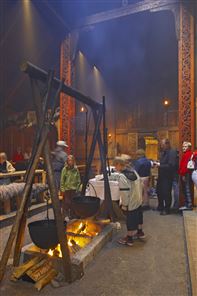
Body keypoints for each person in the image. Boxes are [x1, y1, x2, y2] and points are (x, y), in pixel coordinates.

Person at [110, 157, 145, 247]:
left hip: (131, 201)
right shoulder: (133, 171)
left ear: (119, 165)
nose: (115, 167)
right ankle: (140, 232)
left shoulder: (122, 176)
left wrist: (124, 204)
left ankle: (129, 239)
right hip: (138, 198)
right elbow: (141, 184)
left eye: (115, 165)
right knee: (138, 216)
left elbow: (124, 192)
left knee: (130, 219)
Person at [156, 139, 177, 215]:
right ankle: (160, 206)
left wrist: (160, 165)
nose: (161, 146)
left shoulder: (172, 152)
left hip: (167, 176)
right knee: (159, 191)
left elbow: (171, 165)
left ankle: (167, 209)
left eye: (162, 144)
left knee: (166, 193)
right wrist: (158, 163)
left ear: (167, 144)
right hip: (161, 176)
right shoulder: (164, 152)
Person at [60, 155, 81, 221]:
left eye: (71, 160)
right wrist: (62, 189)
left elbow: (78, 179)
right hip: (67, 189)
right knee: (66, 203)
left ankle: (72, 216)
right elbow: (62, 180)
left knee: (73, 203)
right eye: (69, 160)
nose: (70, 161)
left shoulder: (75, 169)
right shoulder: (65, 169)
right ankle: (64, 216)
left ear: (73, 161)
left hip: (74, 189)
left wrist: (78, 188)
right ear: (67, 161)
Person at [178, 142, 193, 210]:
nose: (183, 148)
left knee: (186, 189)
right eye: (183, 146)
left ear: (189, 147)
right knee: (185, 188)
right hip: (185, 173)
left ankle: (189, 205)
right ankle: (187, 204)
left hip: (185, 173)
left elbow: (185, 166)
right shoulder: (186, 154)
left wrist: (183, 174)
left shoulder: (188, 154)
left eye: (185, 146)